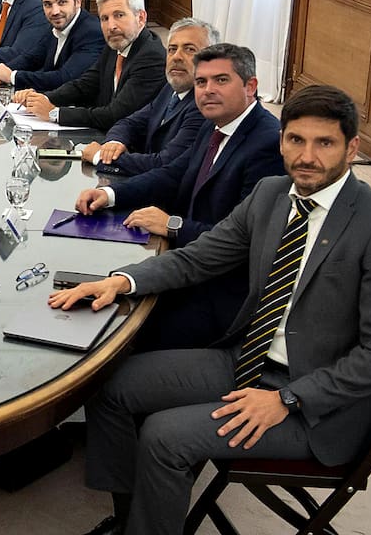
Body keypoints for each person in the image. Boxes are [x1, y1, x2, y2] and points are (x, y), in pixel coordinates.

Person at [51, 85, 371, 535]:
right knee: (108, 383)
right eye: (295, 140)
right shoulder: (271, 193)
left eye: (324, 143)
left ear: (352, 149)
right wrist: (122, 280)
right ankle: (135, 516)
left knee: (164, 436)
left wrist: (289, 400)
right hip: (247, 359)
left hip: (318, 404)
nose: (306, 156)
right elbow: (202, 255)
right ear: (281, 140)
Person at [74, 43, 285, 350]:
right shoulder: (215, 123)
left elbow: (243, 243)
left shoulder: (266, 143)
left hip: (219, 289)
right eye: (201, 82)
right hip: (184, 261)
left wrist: (174, 224)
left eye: (221, 80)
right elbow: (174, 173)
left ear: (250, 86)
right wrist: (110, 193)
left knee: (117, 332)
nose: (208, 90)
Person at [77, 17, 215, 176]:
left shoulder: (203, 105)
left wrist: (100, 157)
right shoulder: (170, 88)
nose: (177, 57)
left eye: (189, 49)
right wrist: (114, 142)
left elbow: (164, 164)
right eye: (172, 49)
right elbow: (129, 122)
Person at [15, 0, 164, 129]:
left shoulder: (151, 57)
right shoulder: (115, 44)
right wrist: (42, 98)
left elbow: (115, 114)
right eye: (104, 18)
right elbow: (84, 85)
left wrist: (55, 113)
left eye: (119, 15)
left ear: (141, 18)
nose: (111, 26)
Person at [0, 0, 105, 90]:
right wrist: (3, 70)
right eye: (48, 4)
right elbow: (32, 58)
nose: (55, 11)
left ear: (78, 2)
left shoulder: (92, 33)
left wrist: (12, 76)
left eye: (62, 2)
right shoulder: (55, 25)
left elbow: (65, 78)